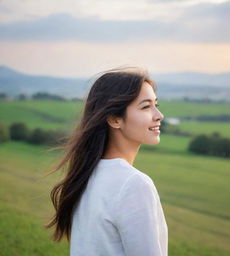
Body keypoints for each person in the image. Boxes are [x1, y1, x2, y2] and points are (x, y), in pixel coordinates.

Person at [46, 67, 168, 255]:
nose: (159, 115)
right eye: (145, 106)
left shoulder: (86, 174)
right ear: (114, 119)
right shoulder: (134, 184)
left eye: (156, 105)